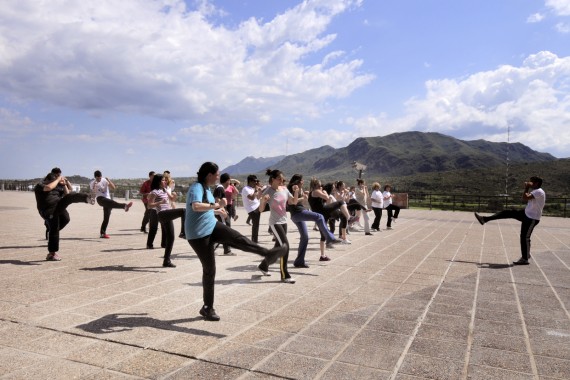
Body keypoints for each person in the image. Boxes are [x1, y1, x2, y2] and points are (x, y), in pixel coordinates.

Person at [185, 162, 287, 321]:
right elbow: (196, 206)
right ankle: (207, 308)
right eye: (217, 174)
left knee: (238, 238)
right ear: (209, 175)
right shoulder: (197, 187)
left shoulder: (206, 188)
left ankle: (269, 254)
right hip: (198, 234)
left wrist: (218, 210)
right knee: (210, 269)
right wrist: (217, 205)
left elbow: (206, 207)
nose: (219, 176)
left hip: (211, 225)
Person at [474, 176, 545, 265]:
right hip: (526, 214)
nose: (529, 183)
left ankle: (525, 258)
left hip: (532, 218)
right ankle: (484, 219)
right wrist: (527, 187)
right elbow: (526, 197)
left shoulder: (539, 191)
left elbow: (525, 198)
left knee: (525, 237)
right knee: (507, 212)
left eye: (531, 182)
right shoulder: (535, 191)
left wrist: (526, 187)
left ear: (536, 183)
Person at [34, 172, 92, 261]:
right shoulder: (40, 185)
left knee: (66, 218)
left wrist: (64, 183)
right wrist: (57, 180)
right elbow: (48, 187)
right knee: (54, 228)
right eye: (55, 179)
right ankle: (51, 254)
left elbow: (68, 193)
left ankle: (87, 198)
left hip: (58, 206)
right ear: (49, 179)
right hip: (48, 209)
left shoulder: (57, 186)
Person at [287, 174, 341, 267]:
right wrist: (297, 193)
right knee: (319, 216)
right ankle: (329, 238)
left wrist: (304, 197)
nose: (303, 181)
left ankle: (299, 261)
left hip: (297, 214)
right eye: (302, 180)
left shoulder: (299, 188)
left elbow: (297, 201)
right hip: (298, 213)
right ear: (298, 181)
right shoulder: (293, 187)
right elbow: (293, 202)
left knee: (305, 237)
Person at [256, 169, 298, 283]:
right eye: (279, 178)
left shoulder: (284, 189)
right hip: (275, 223)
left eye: (283, 179)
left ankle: (263, 265)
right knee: (285, 246)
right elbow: (260, 209)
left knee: (276, 248)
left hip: (284, 222)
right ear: (273, 179)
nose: (282, 180)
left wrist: (296, 191)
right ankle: (285, 275)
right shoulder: (268, 191)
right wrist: (263, 201)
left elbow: (293, 202)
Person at [146, 174, 185, 267]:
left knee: (171, 238)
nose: (165, 182)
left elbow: (171, 199)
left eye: (165, 180)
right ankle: (184, 232)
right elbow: (149, 205)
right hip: (162, 214)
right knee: (183, 211)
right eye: (163, 180)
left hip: (167, 213)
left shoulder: (164, 190)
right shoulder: (154, 192)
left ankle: (166, 261)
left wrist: (174, 196)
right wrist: (159, 202)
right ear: (158, 182)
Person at [308, 178, 352, 244]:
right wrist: (325, 192)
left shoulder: (311, 193)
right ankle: (349, 217)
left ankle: (328, 244)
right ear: (316, 185)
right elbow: (327, 197)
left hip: (318, 213)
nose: (321, 186)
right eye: (319, 185)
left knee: (323, 233)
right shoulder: (316, 191)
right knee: (340, 202)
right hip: (323, 210)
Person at [90, 170, 133, 238]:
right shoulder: (92, 183)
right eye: (98, 178)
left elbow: (113, 187)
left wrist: (109, 181)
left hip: (108, 200)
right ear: (95, 177)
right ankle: (124, 206)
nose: (99, 179)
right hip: (100, 199)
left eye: (100, 178)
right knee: (111, 203)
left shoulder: (104, 180)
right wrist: (95, 185)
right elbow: (93, 193)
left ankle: (102, 233)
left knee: (106, 218)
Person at [213, 175, 233, 255]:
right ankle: (213, 247)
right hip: (220, 211)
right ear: (227, 180)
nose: (230, 182)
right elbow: (217, 199)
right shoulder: (220, 188)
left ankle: (226, 249)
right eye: (229, 180)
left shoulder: (219, 187)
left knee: (226, 230)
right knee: (225, 230)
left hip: (220, 211)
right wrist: (223, 209)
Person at [241, 174, 263, 243]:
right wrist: (256, 190)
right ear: (250, 181)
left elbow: (258, 198)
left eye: (256, 181)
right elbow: (252, 198)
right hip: (252, 209)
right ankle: (254, 240)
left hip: (257, 206)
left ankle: (254, 240)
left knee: (272, 205)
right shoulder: (246, 189)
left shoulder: (252, 189)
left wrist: (260, 191)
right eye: (255, 181)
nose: (256, 183)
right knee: (256, 224)